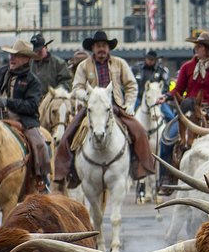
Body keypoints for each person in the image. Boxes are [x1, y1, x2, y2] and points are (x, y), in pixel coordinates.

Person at [54, 30, 154, 188]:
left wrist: (129, 104)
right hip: (91, 109)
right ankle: (69, 172)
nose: (101, 49)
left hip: (116, 107)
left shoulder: (120, 63)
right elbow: (76, 88)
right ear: (93, 48)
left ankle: (138, 167)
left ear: (108, 48)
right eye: (98, 46)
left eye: (104, 46)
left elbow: (131, 85)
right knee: (67, 136)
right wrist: (87, 98)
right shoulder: (83, 66)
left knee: (140, 131)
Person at [0, 38, 50, 188]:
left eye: (16, 55)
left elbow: (32, 106)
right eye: (11, 55)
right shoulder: (1, 71)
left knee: (40, 145)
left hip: (22, 122)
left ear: (26, 59)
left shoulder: (33, 82)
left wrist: (8, 103)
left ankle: (41, 181)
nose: (11, 58)